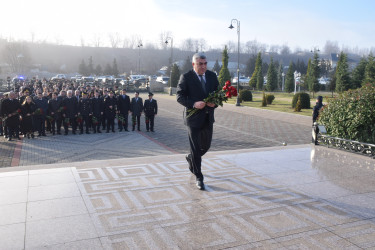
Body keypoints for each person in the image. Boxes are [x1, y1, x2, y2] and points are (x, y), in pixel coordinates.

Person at [176, 52, 219, 190]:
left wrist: (214, 103)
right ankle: (199, 176)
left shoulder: (212, 76)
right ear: (194, 64)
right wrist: (194, 104)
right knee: (195, 148)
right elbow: (179, 96)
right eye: (200, 64)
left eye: (205, 63)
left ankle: (191, 158)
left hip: (208, 117)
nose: (203, 66)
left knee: (205, 146)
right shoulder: (186, 77)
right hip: (193, 119)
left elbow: (218, 94)